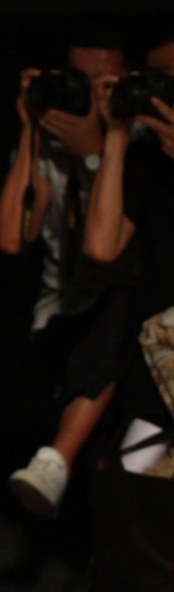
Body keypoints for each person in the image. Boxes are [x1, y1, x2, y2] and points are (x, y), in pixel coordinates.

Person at [0, 32, 136, 516]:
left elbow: (106, 249)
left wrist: (99, 148)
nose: (87, 92)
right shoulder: (49, 149)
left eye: (102, 82)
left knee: (117, 309)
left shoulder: (139, 141)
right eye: (77, 79)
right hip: (60, 316)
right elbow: (11, 236)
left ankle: (58, 460)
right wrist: (30, 129)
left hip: (123, 315)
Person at [84, 34, 174, 421]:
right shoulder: (144, 156)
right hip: (159, 351)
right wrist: (117, 134)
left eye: (166, 78)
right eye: (149, 77)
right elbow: (101, 246)